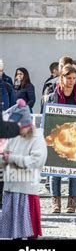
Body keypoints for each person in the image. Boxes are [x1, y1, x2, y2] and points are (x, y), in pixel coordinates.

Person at [0, 99, 47, 239]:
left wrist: (13, 158)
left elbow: (36, 161)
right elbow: (5, 155)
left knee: (29, 232)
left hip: (27, 190)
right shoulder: (14, 137)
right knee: (12, 231)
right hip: (11, 189)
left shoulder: (37, 138)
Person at [45, 65, 76, 213]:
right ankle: (55, 202)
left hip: (74, 141)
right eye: (68, 78)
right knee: (55, 171)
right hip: (56, 139)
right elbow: (46, 120)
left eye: (74, 78)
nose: (71, 81)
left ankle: (72, 202)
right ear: (62, 78)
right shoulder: (52, 97)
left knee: (74, 172)